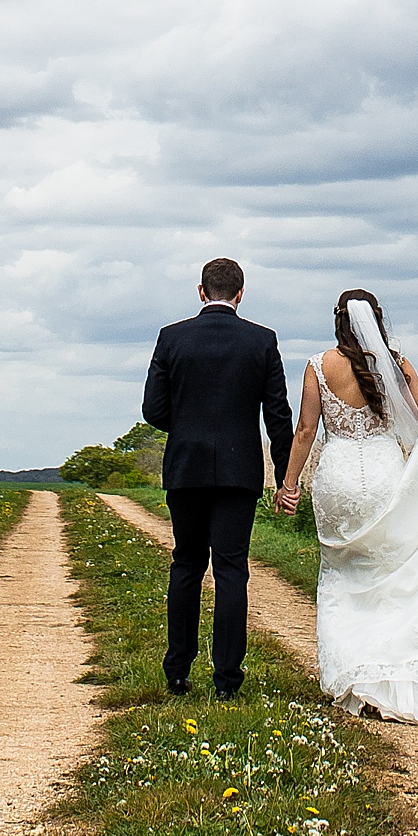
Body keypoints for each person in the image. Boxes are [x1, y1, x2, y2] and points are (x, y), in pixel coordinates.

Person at [273, 289, 418, 724]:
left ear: (338, 321)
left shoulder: (317, 366)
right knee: (389, 578)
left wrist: (288, 485)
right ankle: (392, 675)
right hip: (385, 476)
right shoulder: (396, 365)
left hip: (339, 480)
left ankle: (354, 678)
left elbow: (306, 430)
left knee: (343, 578)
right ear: (377, 320)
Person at [141, 257, 294, 700]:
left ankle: (178, 670)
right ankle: (227, 678)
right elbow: (277, 415)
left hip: (185, 467)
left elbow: (153, 409)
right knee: (231, 568)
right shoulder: (262, 341)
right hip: (239, 469)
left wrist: (188, 427)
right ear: (241, 294)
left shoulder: (172, 337)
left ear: (201, 291)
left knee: (187, 563)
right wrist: (285, 477)